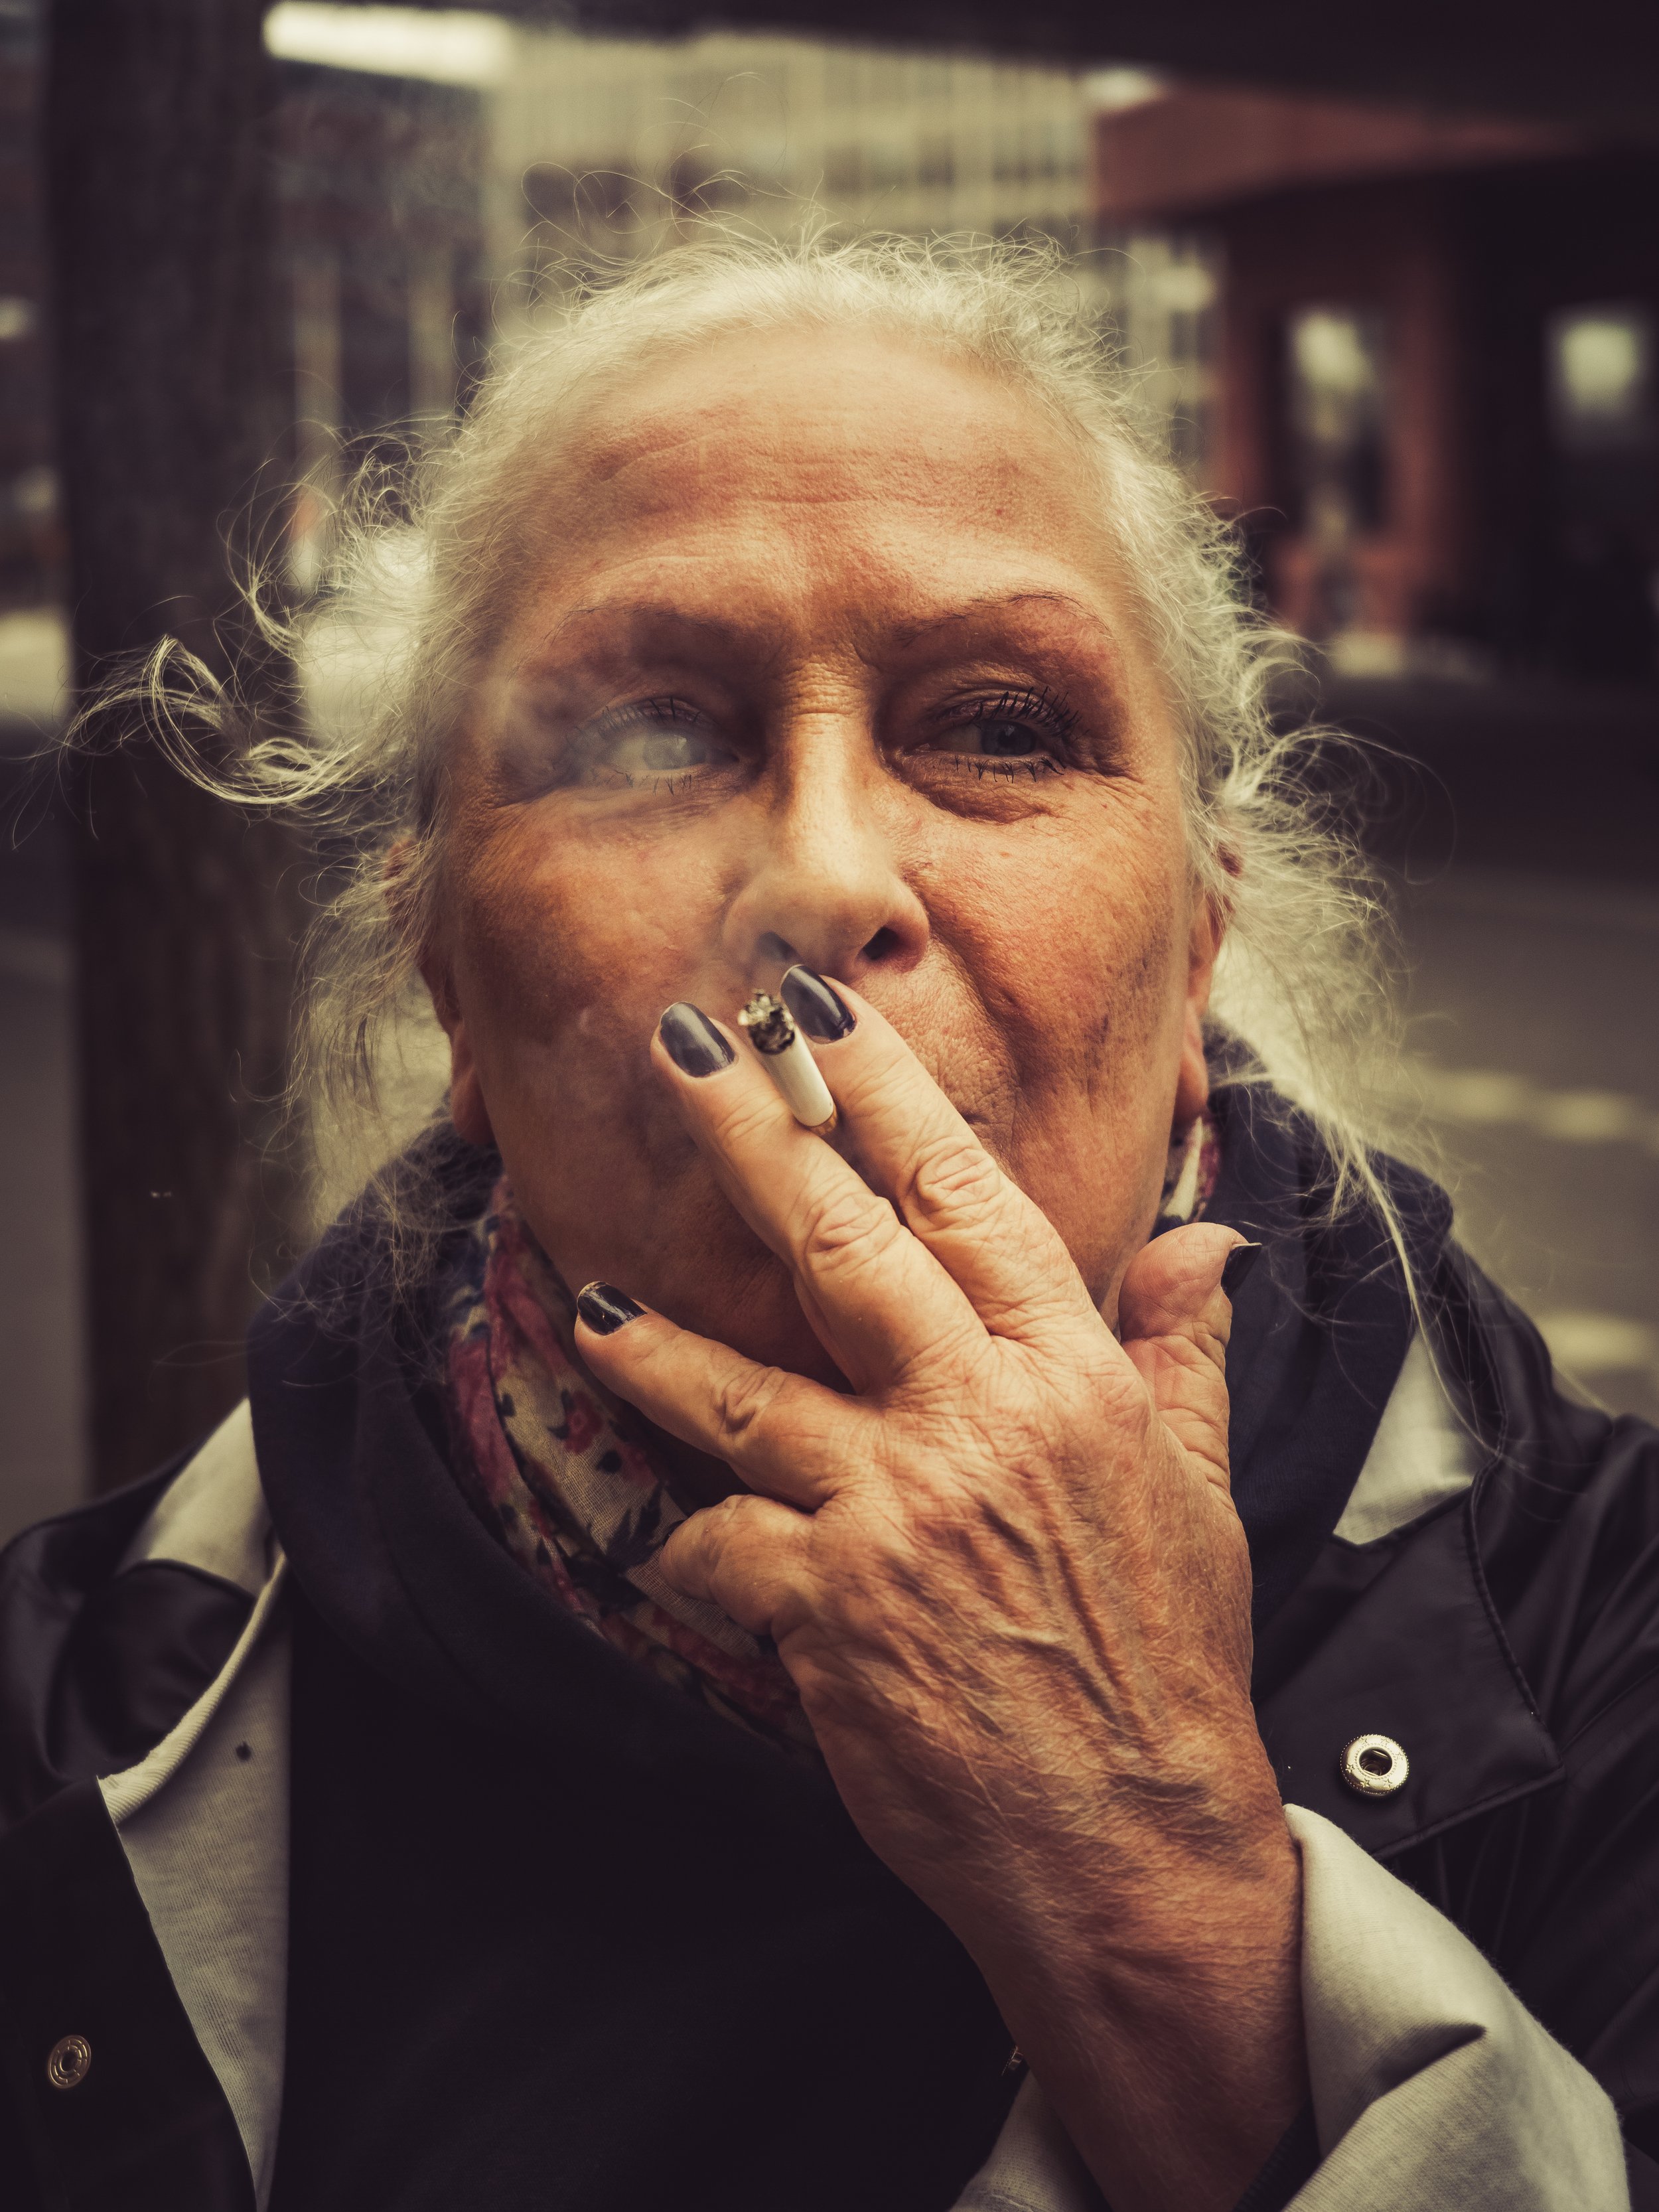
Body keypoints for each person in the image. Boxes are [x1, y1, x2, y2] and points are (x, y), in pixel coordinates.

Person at [1, 236, 1652, 2212]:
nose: (822, 870)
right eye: (648, 731)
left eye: (1002, 726)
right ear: (443, 970)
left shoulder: (1608, 1626)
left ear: (1196, 940)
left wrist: (1151, 1889)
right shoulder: (71, 1721)